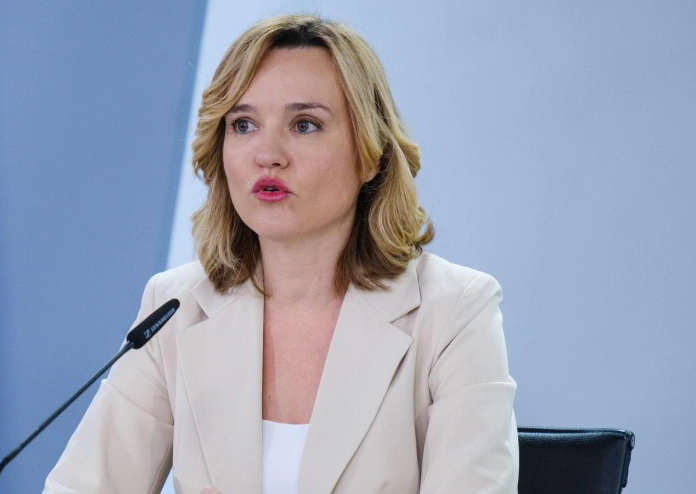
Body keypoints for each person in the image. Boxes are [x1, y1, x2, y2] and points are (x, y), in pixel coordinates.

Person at [44, 14, 517, 494]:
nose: (267, 153)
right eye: (243, 124)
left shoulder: (454, 311)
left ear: (371, 153)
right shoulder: (173, 308)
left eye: (305, 125)